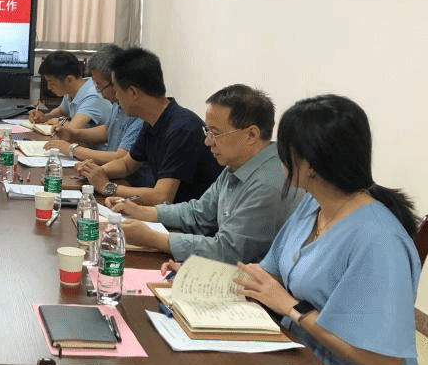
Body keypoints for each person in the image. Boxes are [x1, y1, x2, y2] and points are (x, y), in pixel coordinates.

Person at [236, 95, 420, 365]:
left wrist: (292, 308)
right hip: (303, 364)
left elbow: (384, 363)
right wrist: (200, 277)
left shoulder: (378, 240)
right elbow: (270, 273)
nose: (278, 157)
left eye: (285, 150)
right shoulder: (312, 206)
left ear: (311, 164)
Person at [109, 84, 302, 264]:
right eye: (207, 132)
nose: (207, 141)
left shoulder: (268, 183)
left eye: (215, 133)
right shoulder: (238, 164)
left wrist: (153, 239)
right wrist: (140, 211)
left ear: (251, 134)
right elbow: (198, 213)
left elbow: (227, 251)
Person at [80, 47, 220, 205]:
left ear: (133, 93)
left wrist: (107, 187)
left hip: (187, 217)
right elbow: (127, 164)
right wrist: (96, 172)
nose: (116, 97)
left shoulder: (182, 128)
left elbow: (162, 196)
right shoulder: (153, 121)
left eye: (117, 90)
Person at [44, 44, 152, 187]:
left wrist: (72, 149)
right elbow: (109, 130)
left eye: (99, 86)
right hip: (109, 175)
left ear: (116, 81)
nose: (99, 92)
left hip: (129, 184)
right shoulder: (118, 103)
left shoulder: (138, 111)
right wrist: (73, 134)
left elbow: (121, 158)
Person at [27, 50, 109, 132]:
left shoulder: (92, 96)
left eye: (51, 82)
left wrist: (59, 121)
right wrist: (45, 117)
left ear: (69, 80)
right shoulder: (73, 90)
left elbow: (72, 129)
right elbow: (61, 111)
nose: (49, 87)